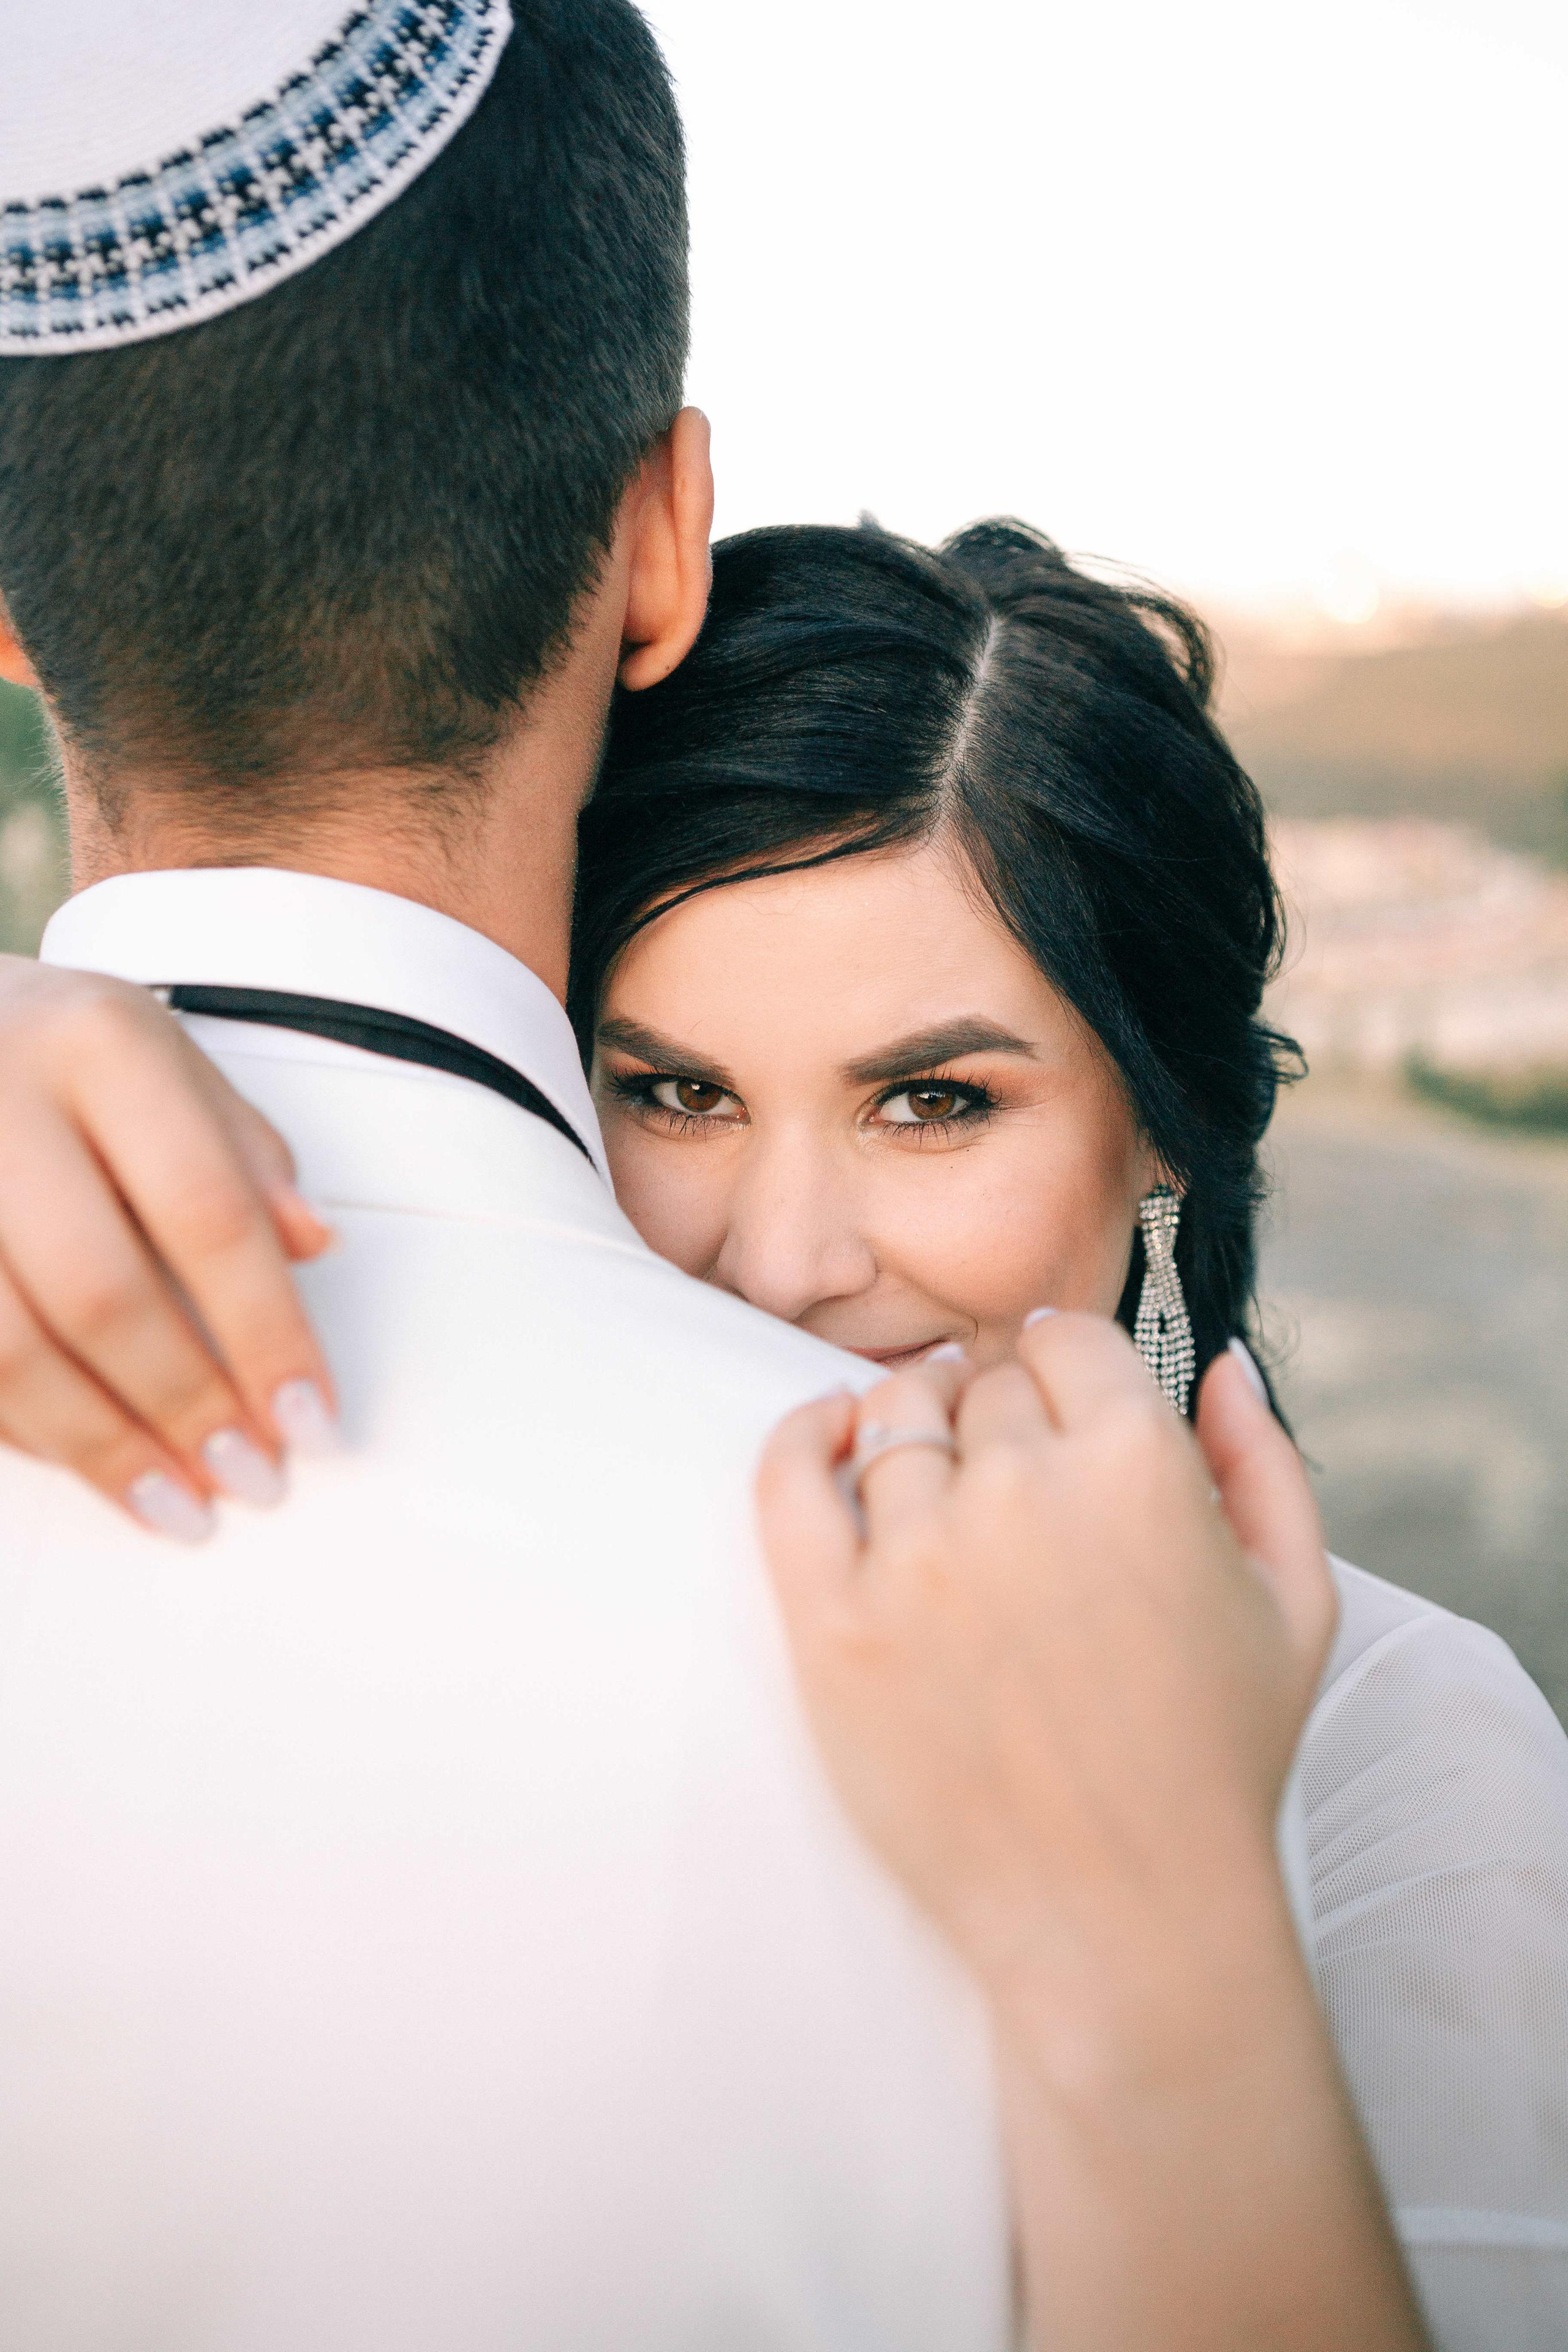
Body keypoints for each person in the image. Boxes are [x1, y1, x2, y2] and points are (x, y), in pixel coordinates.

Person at [7, 515, 1568, 2348]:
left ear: (1160, 1131)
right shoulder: (439, 1578)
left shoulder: (1407, 1768)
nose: (780, 1260)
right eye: (677, 1093)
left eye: (933, 1102)